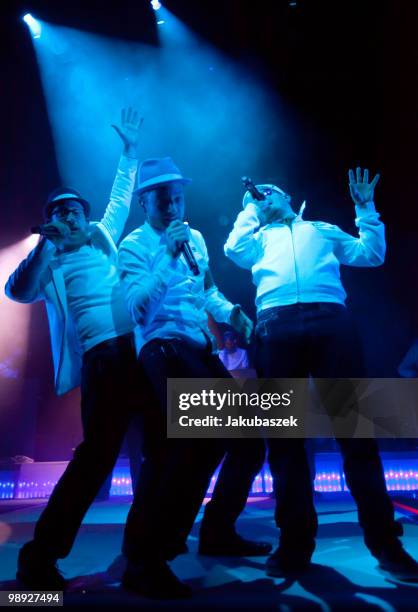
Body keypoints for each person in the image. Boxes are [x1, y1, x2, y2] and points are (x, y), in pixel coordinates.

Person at [224, 167, 418, 581]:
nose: (265, 194)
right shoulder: (257, 238)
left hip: (332, 322)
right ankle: (295, 544)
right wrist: (249, 212)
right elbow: (232, 250)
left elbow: (372, 254)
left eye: (272, 189)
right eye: (258, 194)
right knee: (285, 441)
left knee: (355, 434)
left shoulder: (321, 229)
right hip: (275, 325)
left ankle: (386, 543)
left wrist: (365, 208)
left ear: (289, 196)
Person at [5, 108, 147, 591]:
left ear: (85, 218)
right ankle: (39, 558)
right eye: (59, 211)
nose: (68, 215)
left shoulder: (103, 237)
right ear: (49, 221)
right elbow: (17, 292)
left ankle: (146, 553)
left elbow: (121, 197)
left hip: (139, 351)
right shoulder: (48, 263)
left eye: (74, 210)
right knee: (95, 462)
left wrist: (129, 152)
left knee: (159, 450)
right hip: (103, 362)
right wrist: (44, 246)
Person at [118, 157, 269, 598]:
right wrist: (166, 254)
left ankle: (216, 530)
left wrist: (233, 316)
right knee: (185, 450)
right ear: (145, 200)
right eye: (163, 198)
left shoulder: (197, 239)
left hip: (199, 349)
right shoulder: (134, 245)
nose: (172, 204)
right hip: (163, 349)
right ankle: (148, 559)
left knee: (246, 441)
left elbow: (207, 292)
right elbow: (139, 310)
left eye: (178, 196)